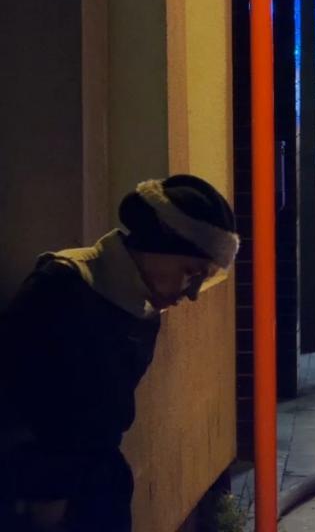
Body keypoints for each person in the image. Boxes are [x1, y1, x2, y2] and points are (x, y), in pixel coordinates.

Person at [0, 175, 238, 532]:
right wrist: (47, 494)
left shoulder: (141, 307)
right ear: (157, 243)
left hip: (98, 487)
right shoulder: (62, 287)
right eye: (190, 273)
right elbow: (21, 400)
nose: (191, 294)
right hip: (40, 496)